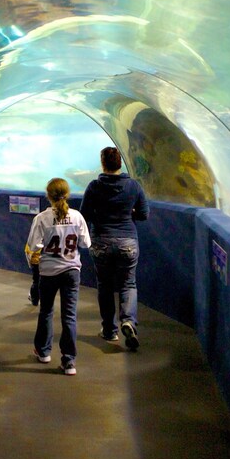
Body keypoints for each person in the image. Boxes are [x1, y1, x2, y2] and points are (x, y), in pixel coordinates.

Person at [80, 146, 149, 351]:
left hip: (101, 241)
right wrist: (129, 213)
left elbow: (84, 213)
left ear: (103, 163)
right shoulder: (134, 186)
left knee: (105, 285)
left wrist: (101, 215)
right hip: (128, 241)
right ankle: (128, 321)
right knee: (128, 284)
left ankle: (110, 331)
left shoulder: (94, 187)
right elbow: (144, 214)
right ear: (120, 163)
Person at [25, 178, 91, 375]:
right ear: (67, 194)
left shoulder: (42, 219)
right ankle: (69, 361)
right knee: (69, 315)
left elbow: (33, 246)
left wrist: (33, 263)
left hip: (48, 272)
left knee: (46, 311)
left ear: (48, 195)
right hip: (72, 272)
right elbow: (86, 243)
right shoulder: (77, 217)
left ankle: (44, 352)